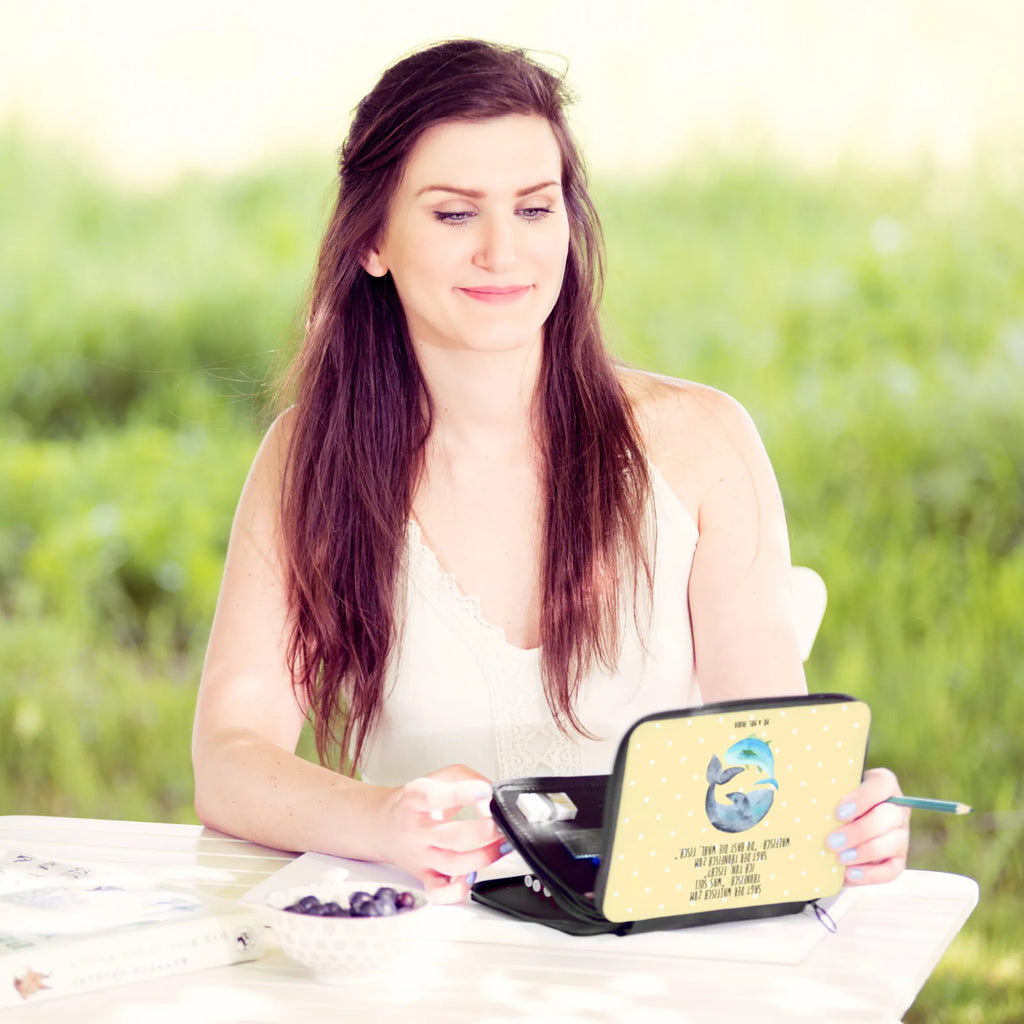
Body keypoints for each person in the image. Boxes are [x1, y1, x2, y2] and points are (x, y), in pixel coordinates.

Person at [191, 38, 910, 904]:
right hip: (424, 944)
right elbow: (229, 762)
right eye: (454, 215)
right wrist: (382, 820)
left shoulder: (702, 445)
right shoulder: (309, 459)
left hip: (660, 944)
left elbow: (776, 763)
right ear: (371, 240)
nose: (504, 252)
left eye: (534, 208)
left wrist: (849, 819)